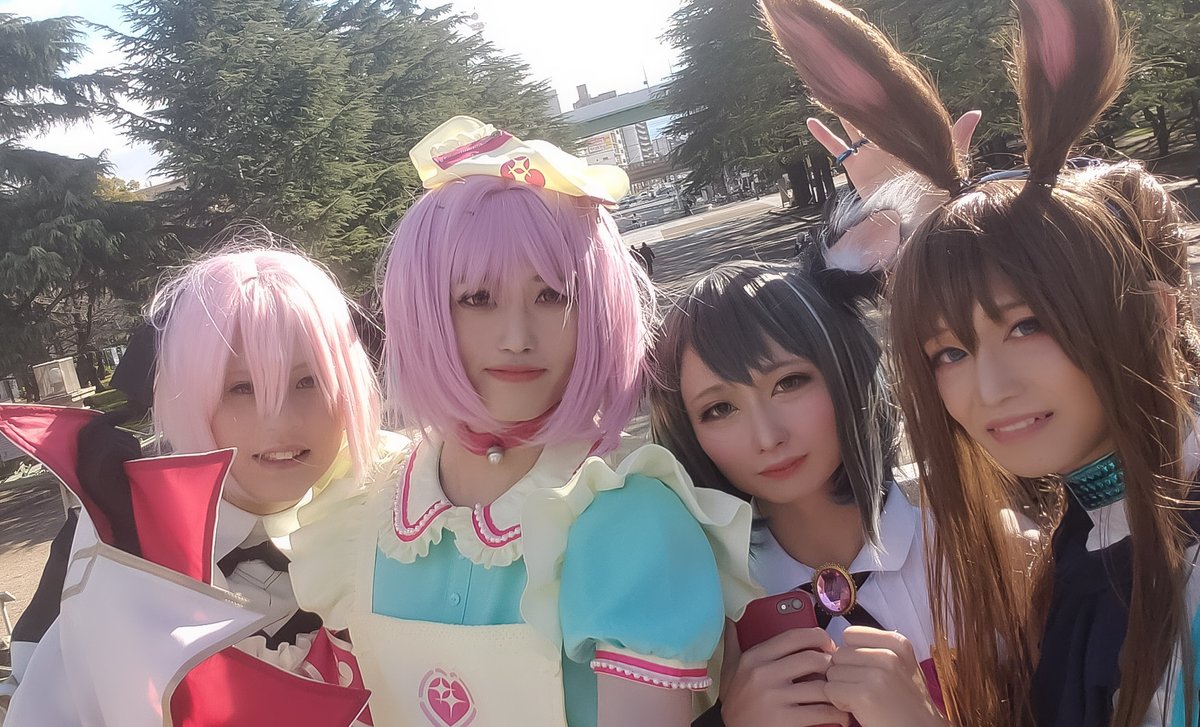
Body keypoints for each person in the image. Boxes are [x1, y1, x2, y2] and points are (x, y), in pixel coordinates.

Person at [760, 0, 1200, 723]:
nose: (988, 388)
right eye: (949, 351)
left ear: (1151, 312)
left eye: (1028, 325)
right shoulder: (1088, 527)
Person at [287, 116, 756, 726]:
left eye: (553, 294)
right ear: (423, 309)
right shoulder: (362, 509)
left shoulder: (626, 521)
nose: (516, 337)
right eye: (477, 298)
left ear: (598, 307)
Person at [2, 242, 401, 725]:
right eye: (241, 388)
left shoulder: (399, 514)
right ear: (185, 397)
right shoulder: (111, 540)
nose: (280, 421)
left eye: (308, 381)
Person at [651, 260, 947, 727]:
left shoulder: (976, 555)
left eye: (788, 383)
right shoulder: (693, 615)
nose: (767, 437)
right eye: (720, 409)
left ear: (845, 370)